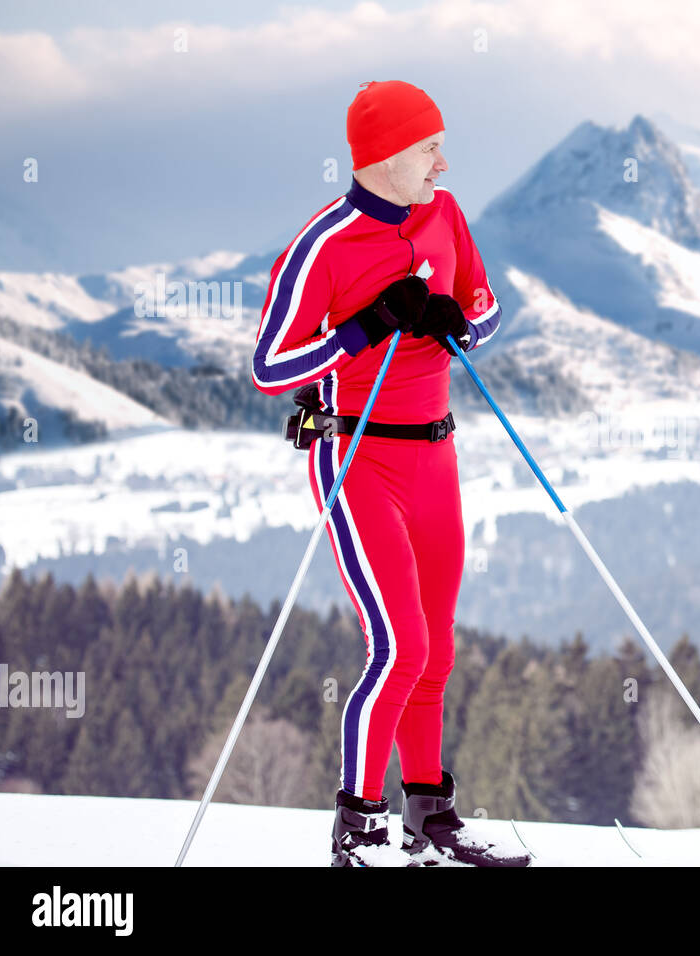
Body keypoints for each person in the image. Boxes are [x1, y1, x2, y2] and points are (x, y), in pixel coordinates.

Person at [250, 80, 528, 867]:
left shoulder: (446, 214)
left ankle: (430, 818)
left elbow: (487, 308)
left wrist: (457, 323)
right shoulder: (325, 245)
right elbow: (272, 364)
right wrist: (368, 325)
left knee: (436, 648)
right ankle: (359, 826)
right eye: (426, 148)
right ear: (381, 158)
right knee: (399, 647)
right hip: (360, 458)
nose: (444, 159)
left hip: (437, 455)